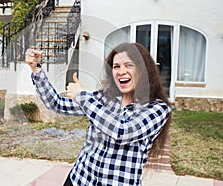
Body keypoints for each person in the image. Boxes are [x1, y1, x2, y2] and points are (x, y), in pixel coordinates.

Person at [25, 42, 171, 186]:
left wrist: (82, 96)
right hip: (79, 179)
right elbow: (57, 104)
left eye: (129, 65)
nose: (121, 71)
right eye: (116, 66)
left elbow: (122, 132)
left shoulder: (157, 109)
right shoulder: (104, 98)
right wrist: (36, 68)